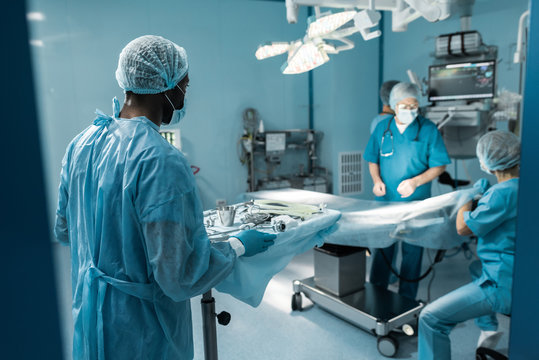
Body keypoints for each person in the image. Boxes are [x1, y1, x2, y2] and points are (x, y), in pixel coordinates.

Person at [54, 35, 276, 360]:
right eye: (183, 87)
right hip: (141, 332)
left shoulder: (82, 144)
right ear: (166, 88)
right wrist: (237, 246)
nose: (184, 96)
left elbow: (64, 229)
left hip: (90, 319)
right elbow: (180, 276)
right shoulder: (162, 160)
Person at [418, 130, 520, 360]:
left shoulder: (500, 195)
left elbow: (463, 228)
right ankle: (489, 327)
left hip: (502, 283)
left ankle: (488, 321)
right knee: (475, 268)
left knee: (430, 318)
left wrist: (466, 198)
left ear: (490, 162)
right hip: (518, 272)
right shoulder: (523, 186)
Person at [364, 82, 451, 300]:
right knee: (383, 250)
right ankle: (377, 294)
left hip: (416, 202)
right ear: (393, 105)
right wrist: (376, 181)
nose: (410, 110)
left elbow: (439, 165)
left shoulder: (428, 129)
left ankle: (407, 300)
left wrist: (416, 181)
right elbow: (372, 159)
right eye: (404, 105)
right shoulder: (382, 128)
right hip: (385, 200)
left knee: (413, 252)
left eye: (414, 105)